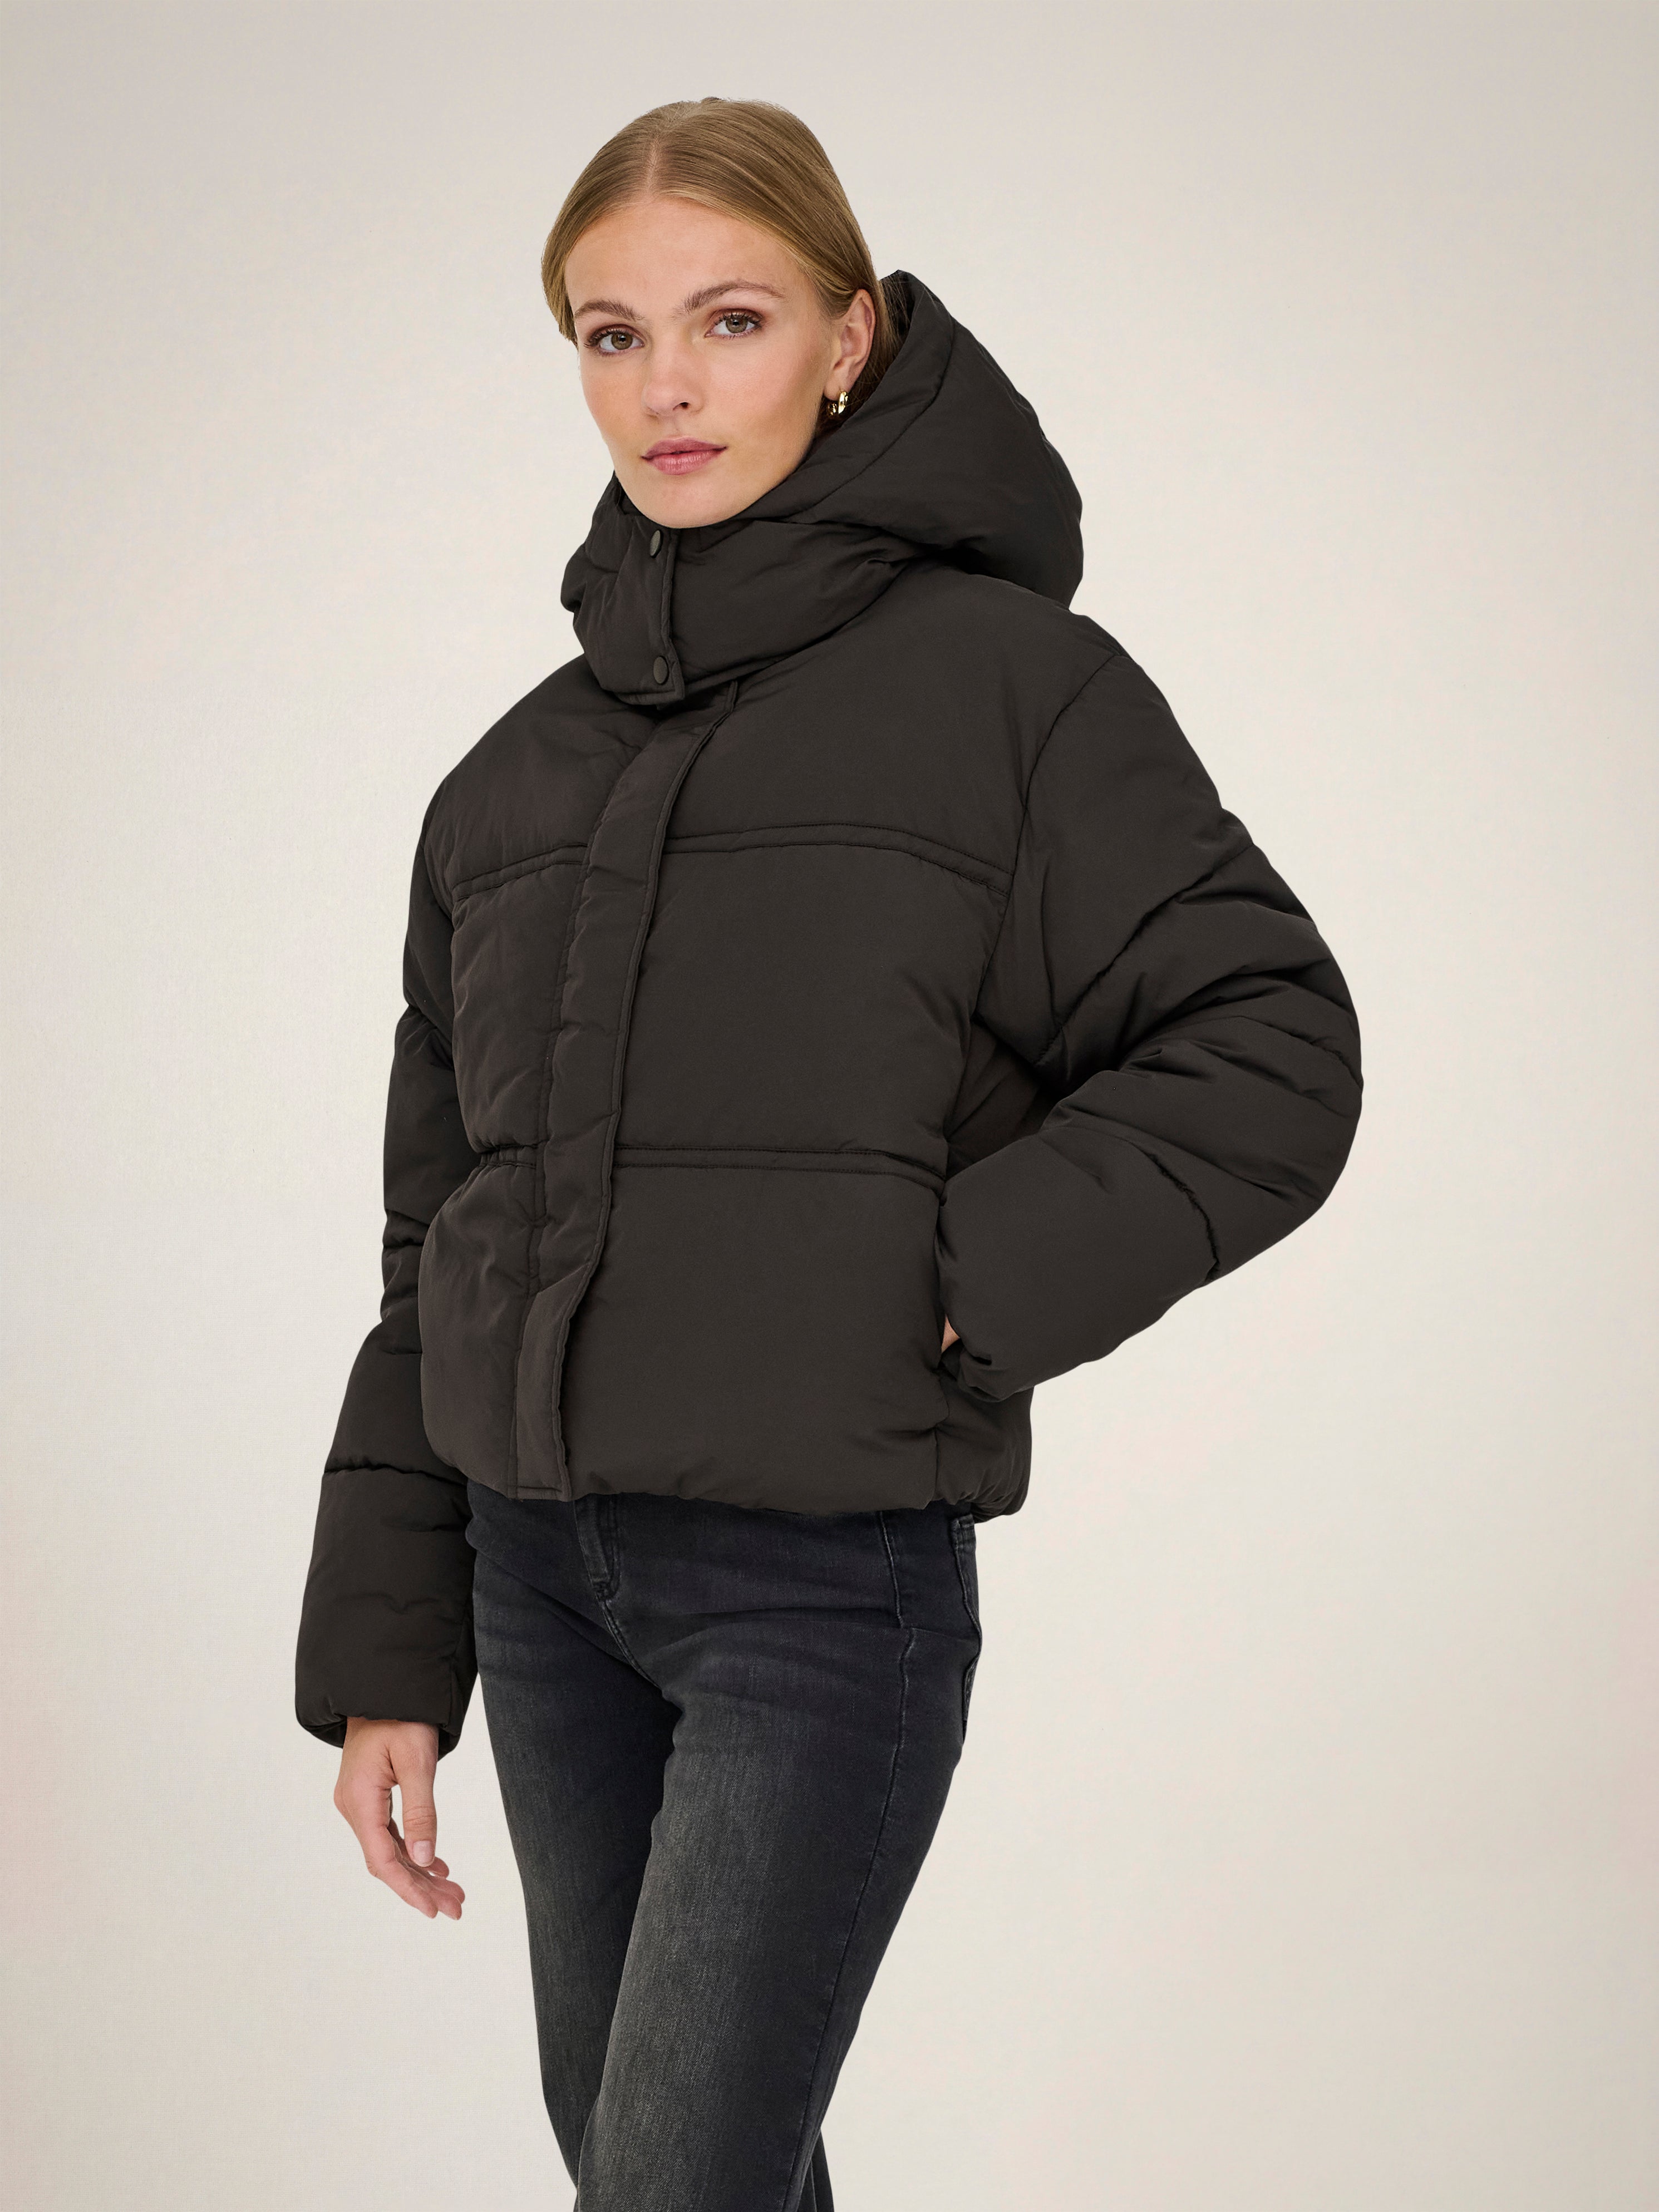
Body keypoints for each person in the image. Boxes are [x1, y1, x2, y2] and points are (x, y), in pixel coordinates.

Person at [295, 96, 1362, 2210]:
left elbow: (1270, 1040)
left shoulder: (1014, 695)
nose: (667, 387)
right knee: (666, 2167)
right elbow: (442, 1234)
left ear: (850, 337)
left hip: (814, 1591)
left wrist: (944, 1290)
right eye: (612, 334)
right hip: (537, 1581)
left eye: (733, 319)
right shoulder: (507, 785)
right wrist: (390, 1651)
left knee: (669, 2181)